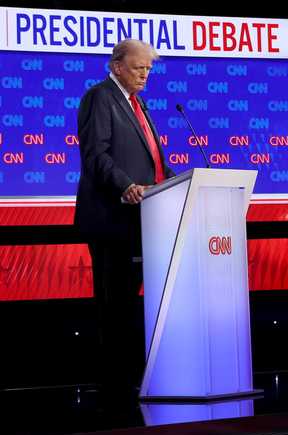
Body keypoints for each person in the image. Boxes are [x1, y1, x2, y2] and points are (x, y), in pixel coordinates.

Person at [74, 39, 175, 393]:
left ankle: (133, 378)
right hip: (112, 218)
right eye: (138, 67)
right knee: (114, 303)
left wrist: (179, 182)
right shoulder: (100, 97)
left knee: (130, 303)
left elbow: (153, 160)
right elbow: (95, 154)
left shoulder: (138, 103)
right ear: (117, 66)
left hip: (142, 217)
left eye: (149, 68)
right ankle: (113, 384)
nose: (146, 74)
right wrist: (125, 185)